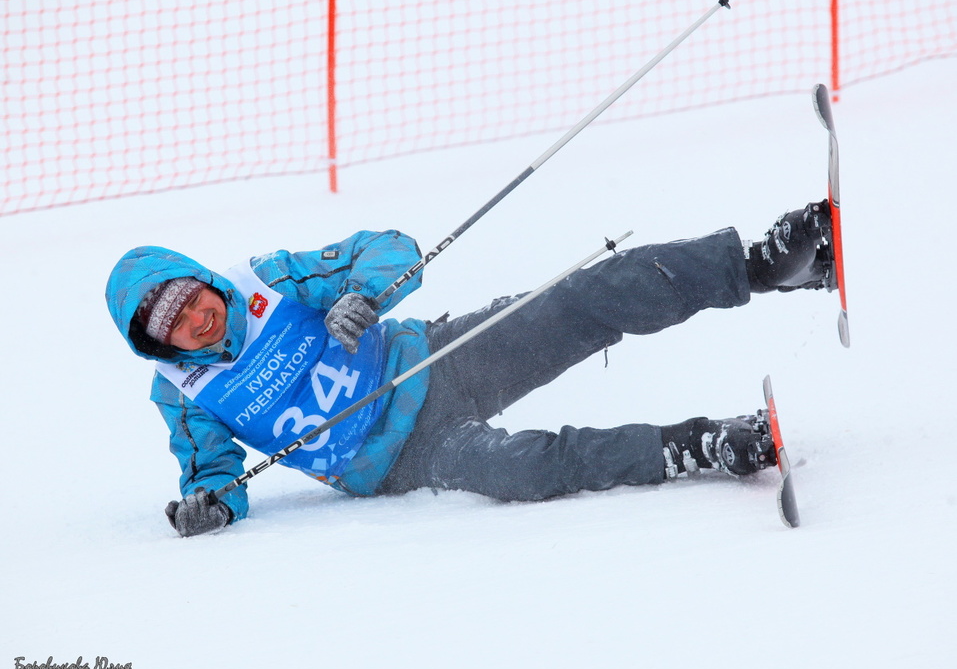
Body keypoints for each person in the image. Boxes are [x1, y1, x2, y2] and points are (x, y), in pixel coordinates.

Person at [106, 200, 836, 537]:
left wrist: (361, 295)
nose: (197, 319)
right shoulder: (184, 392)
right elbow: (212, 472)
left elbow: (387, 248)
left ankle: (766, 264)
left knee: (577, 301)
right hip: (399, 460)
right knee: (525, 469)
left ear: (203, 281)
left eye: (192, 299)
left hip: (437, 360)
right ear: (162, 346)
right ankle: (704, 444)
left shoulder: (268, 282)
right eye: (175, 326)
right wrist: (209, 506)